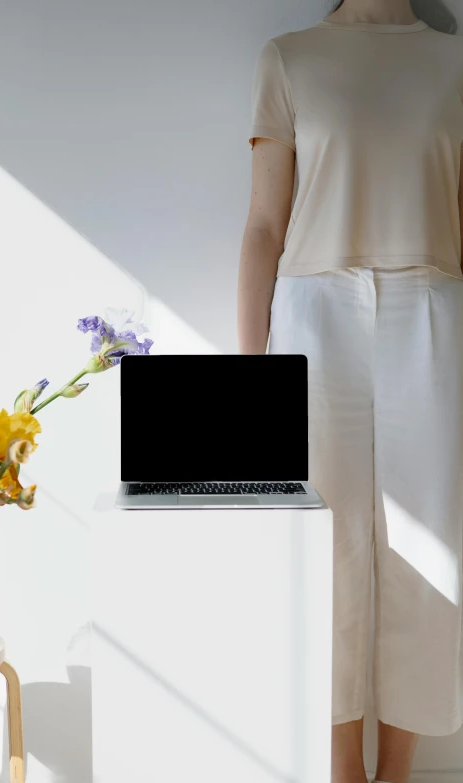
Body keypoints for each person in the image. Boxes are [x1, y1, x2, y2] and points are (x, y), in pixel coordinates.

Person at [237, 1, 463, 782]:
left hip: (432, 303)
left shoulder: (453, 61)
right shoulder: (290, 58)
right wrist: (253, 372)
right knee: (321, 541)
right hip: (315, 309)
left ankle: (395, 772)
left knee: (429, 550)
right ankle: (340, 768)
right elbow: (265, 225)